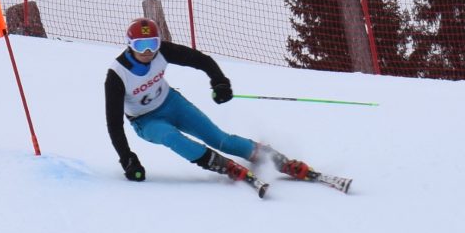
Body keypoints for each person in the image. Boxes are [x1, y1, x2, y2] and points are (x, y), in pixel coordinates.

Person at [104, 17, 312, 187]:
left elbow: (202, 61)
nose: (148, 52)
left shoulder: (163, 52)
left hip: (171, 103)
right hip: (145, 121)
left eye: (153, 44)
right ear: (130, 45)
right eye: (141, 45)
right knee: (170, 137)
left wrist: (219, 83)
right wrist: (127, 159)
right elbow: (114, 124)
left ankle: (276, 159)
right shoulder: (117, 75)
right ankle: (223, 165)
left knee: (220, 139)